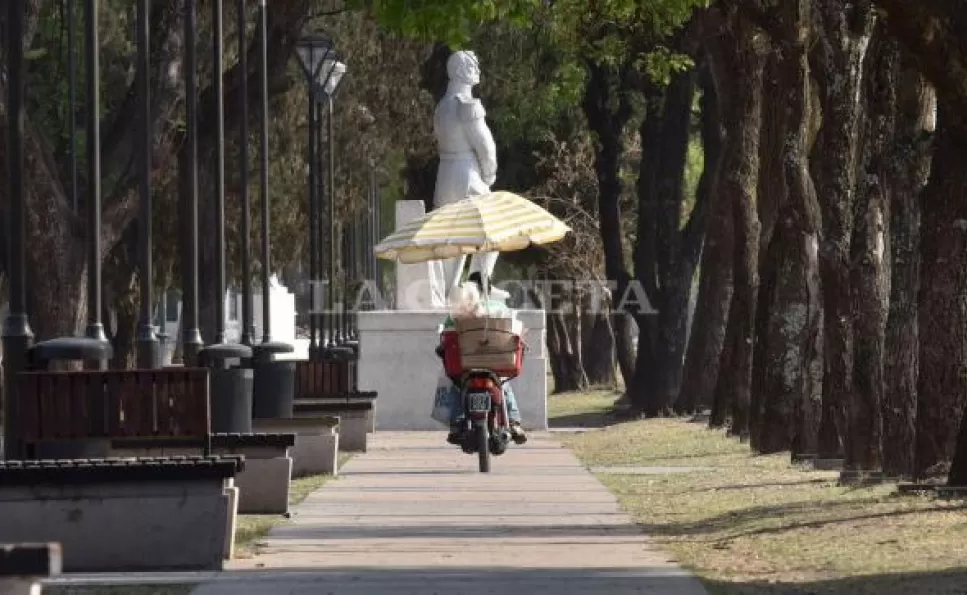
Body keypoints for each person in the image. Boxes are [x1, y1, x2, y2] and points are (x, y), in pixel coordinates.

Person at [436, 280, 527, 445]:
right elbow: (514, 329)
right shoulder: (499, 308)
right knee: (505, 385)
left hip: (465, 365)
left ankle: (456, 423)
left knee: (455, 386)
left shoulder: (453, 317)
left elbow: (446, 339)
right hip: (496, 362)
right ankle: (513, 422)